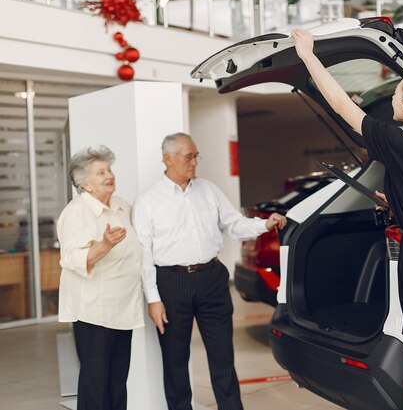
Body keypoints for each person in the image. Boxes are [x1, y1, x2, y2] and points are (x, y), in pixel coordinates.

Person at [292, 29, 403, 410]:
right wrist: (401, 207)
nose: (392, 98)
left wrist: (309, 57)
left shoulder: (400, 142)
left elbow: (344, 107)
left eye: (395, 94)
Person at [132, 132, 287, 410]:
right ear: (167, 159)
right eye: (188, 157)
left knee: (222, 357)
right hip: (171, 284)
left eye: (196, 156)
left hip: (212, 279)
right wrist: (153, 299)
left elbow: (234, 225)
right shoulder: (148, 201)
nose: (194, 163)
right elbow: (144, 255)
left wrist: (264, 225)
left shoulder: (209, 190)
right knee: (175, 361)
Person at [57, 146, 144, 410]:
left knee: (117, 381)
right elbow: (70, 258)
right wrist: (104, 245)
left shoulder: (121, 206)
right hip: (94, 311)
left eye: (109, 170)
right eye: (101, 172)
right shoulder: (77, 211)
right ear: (85, 183)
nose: (109, 175)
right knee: (96, 383)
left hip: (123, 308)